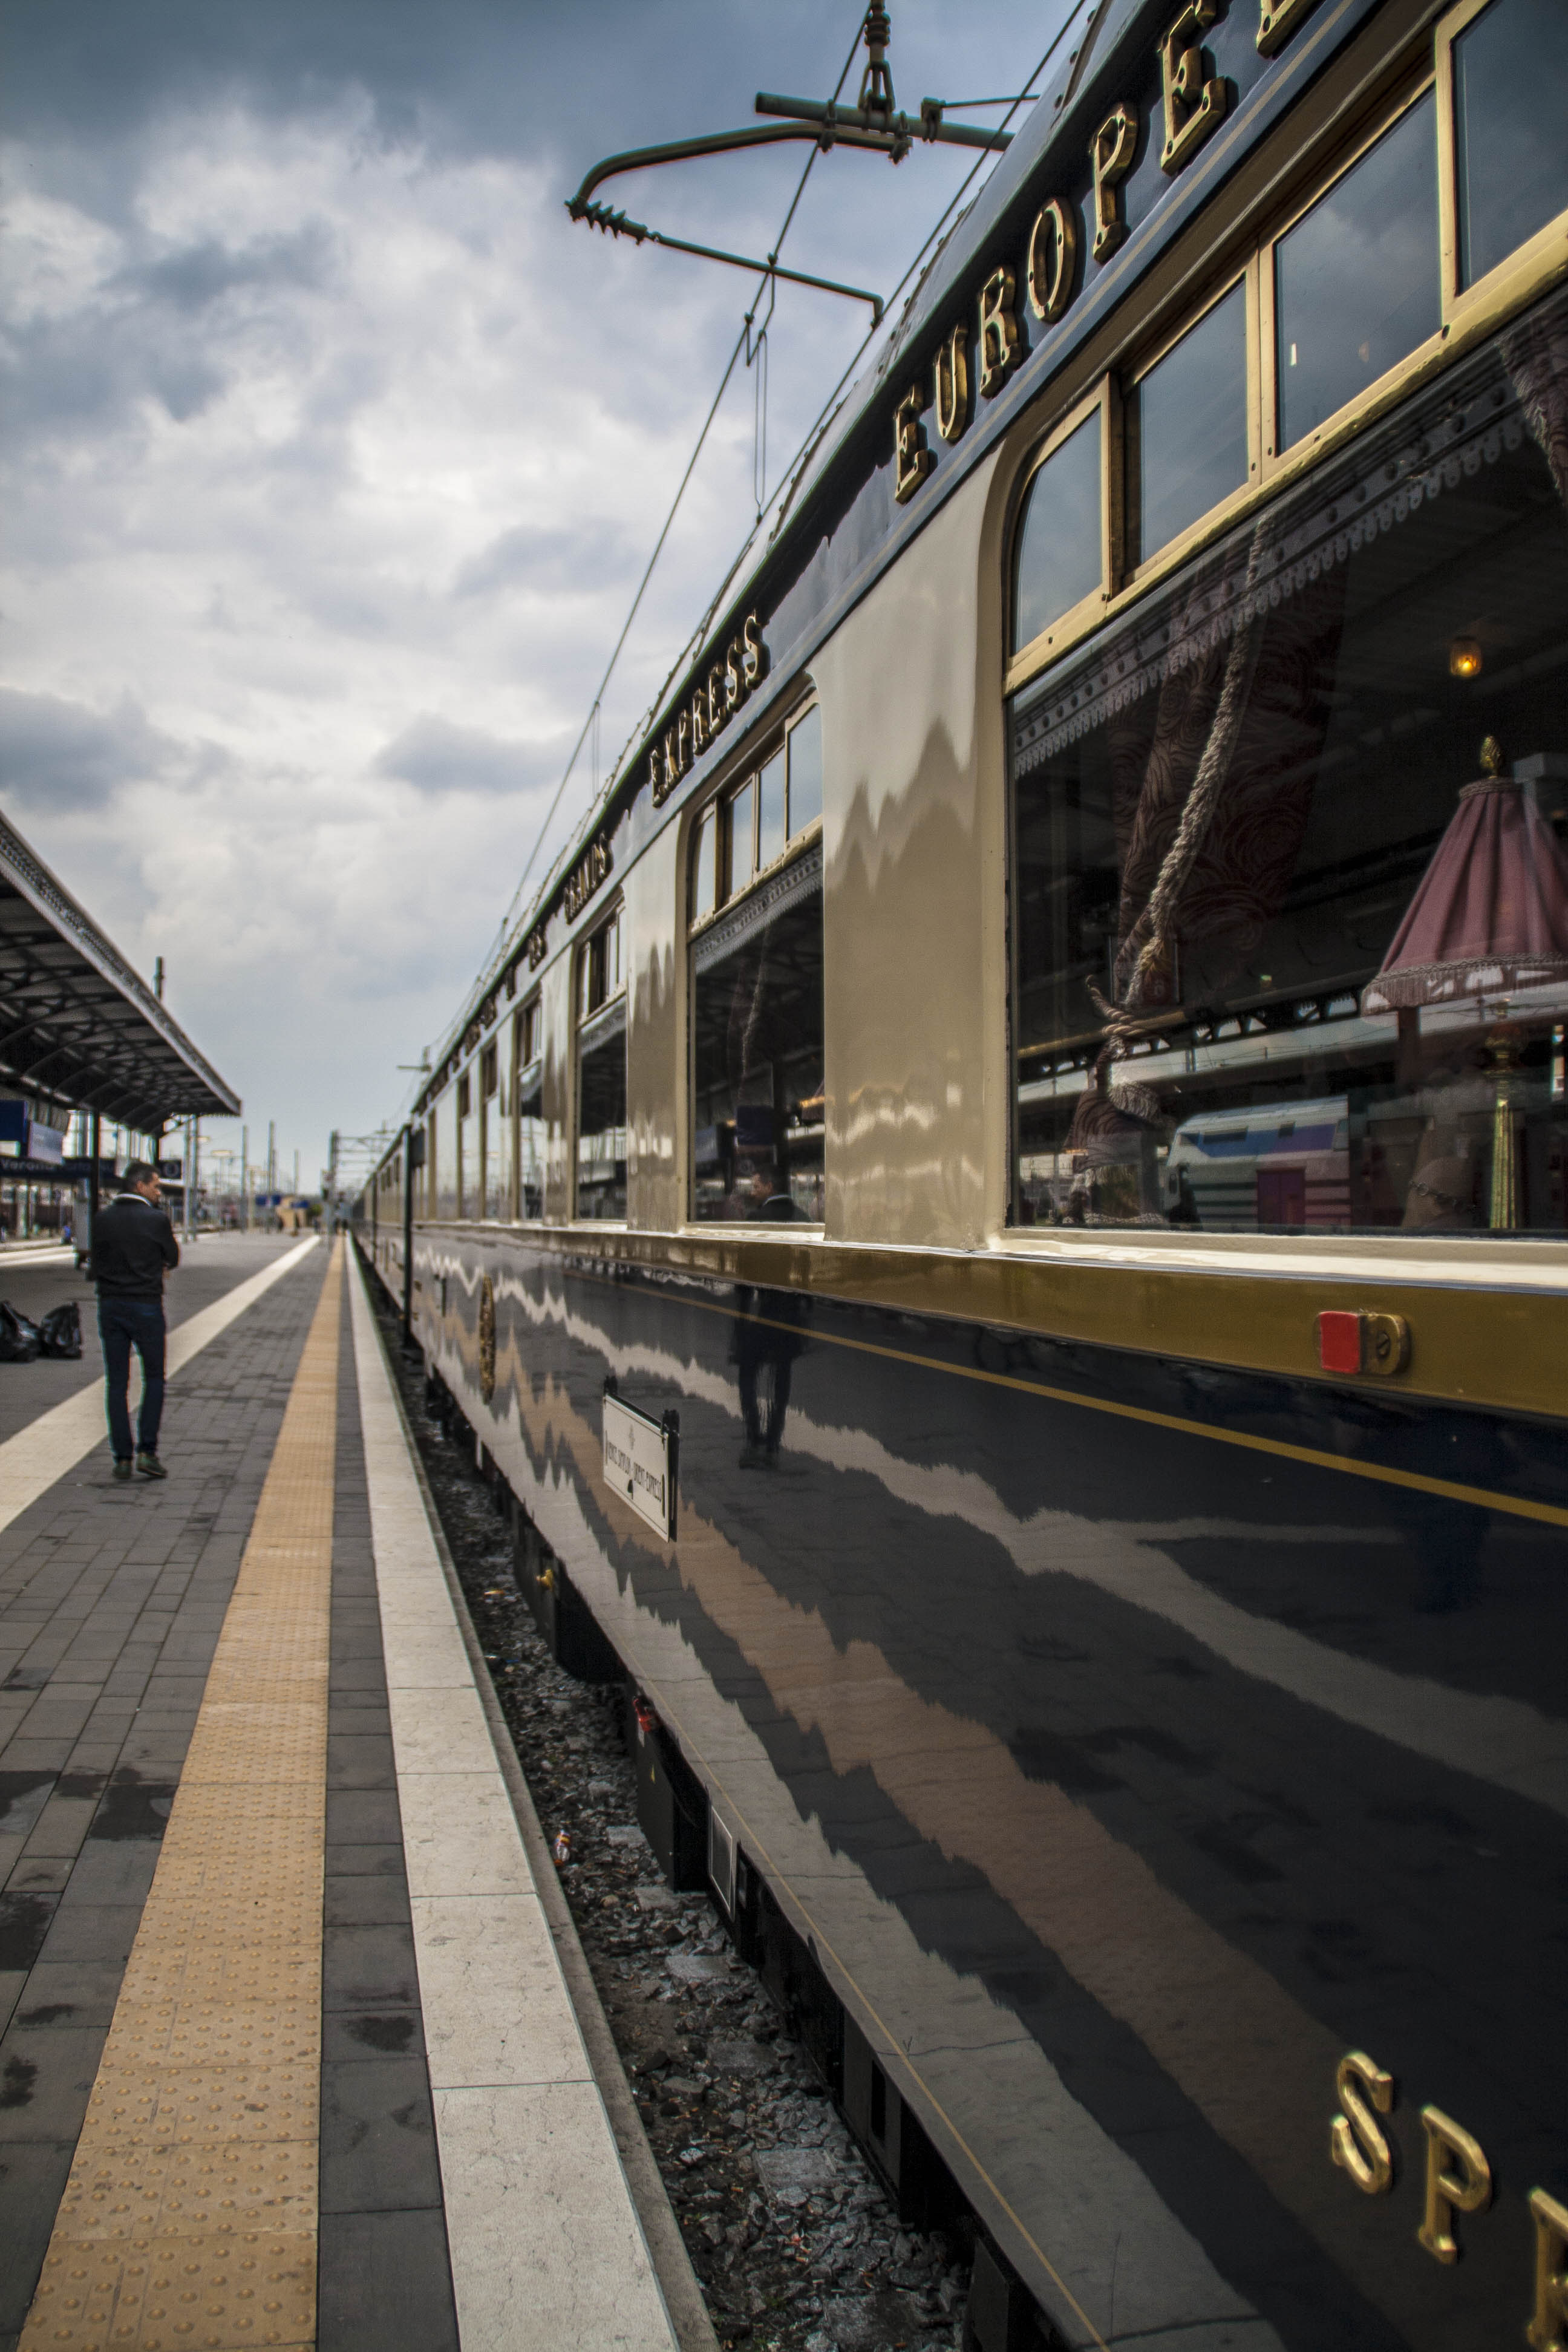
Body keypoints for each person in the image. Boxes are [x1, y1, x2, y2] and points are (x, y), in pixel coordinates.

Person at [92, 1161, 178, 1480]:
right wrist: (158, 1265)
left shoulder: (102, 1219)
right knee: (154, 1378)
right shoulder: (156, 1220)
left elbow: (95, 1263)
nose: (159, 1192)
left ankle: (123, 1459)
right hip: (146, 1307)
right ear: (139, 1186)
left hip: (111, 1306)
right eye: (156, 1186)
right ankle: (147, 1453)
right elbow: (173, 1257)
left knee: (116, 1383)